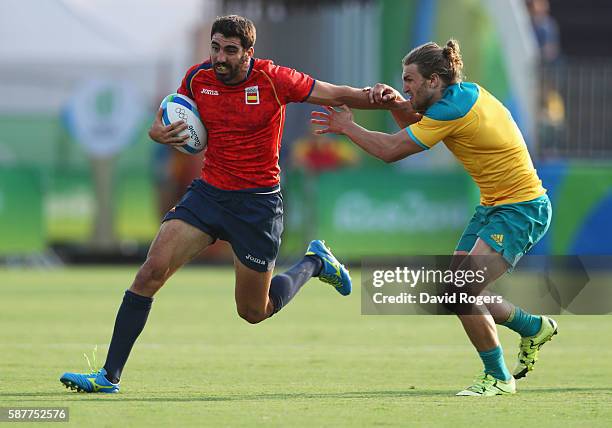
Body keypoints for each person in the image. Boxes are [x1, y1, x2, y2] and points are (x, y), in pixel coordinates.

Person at [59, 14, 394, 393]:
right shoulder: (197, 78)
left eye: (230, 51)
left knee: (254, 311)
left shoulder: (273, 78)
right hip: (209, 194)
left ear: (249, 53)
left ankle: (315, 262)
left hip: (258, 205)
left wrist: (380, 97)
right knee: (151, 271)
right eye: (216, 48)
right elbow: (164, 117)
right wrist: (157, 133)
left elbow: (336, 94)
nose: (220, 57)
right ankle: (108, 376)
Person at [311, 40, 557, 396]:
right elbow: (417, 120)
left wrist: (348, 126)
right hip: (495, 207)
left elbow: (392, 150)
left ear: (434, 80)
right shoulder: (458, 96)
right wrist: (396, 101)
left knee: (461, 290)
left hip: (521, 209)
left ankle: (498, 378)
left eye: (409, 80)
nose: (405, 86)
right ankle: (533, 327)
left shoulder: (452, 109)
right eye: (403, 80)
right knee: (459, 290)